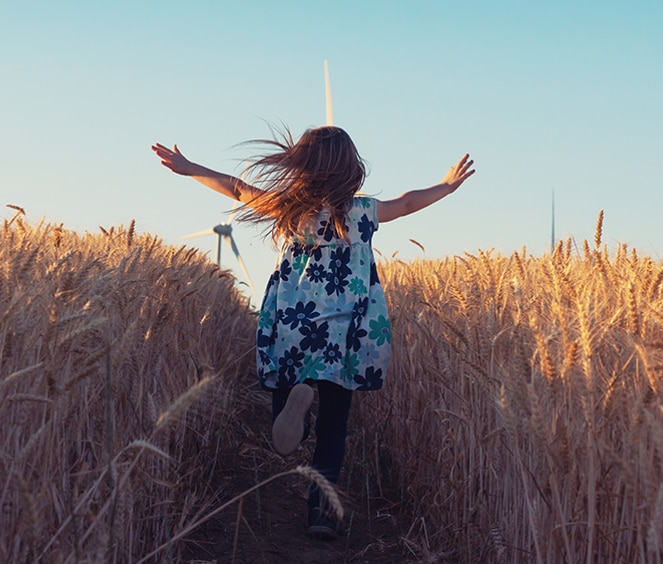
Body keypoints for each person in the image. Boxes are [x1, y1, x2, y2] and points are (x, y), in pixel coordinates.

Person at [151, 126, 475, 540]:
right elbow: (409, 202)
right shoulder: (362, 211)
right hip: (346, 328)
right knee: (335, 425)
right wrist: (446, 186)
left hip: (294, 319)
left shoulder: (290, 208)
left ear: (300, 165)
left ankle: (293, 412)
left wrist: (188, 167)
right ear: (351, 168)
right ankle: (321, 512)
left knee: (289, 388)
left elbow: (236, 189)